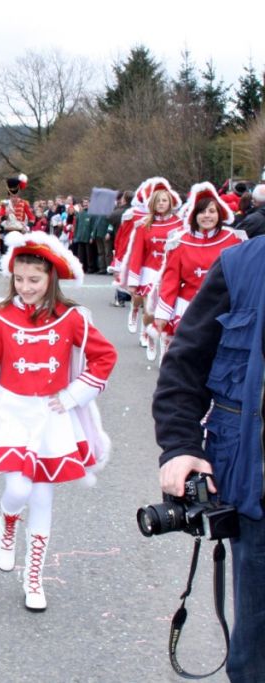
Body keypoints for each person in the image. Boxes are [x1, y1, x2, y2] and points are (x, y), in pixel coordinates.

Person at [0, 230, 116, 611]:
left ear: (51, 280)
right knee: (18, 488)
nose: (25, 287)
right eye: (19, 279)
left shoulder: (71, 318)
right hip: (11, 413)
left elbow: (105, 357)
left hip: (51, 418)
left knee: (43, 495)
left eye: (35, 280)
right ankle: (9, 518)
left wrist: (72, 394)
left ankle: (34, 576)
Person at [153, 233, 265, 683]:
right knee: (255, 656)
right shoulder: (241, 266)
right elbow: (185, 366)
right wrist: (181, 446)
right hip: (258, 497)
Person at [153, 183, 244, 357]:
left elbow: (243, 277)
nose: (207, 216)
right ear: (194, 215)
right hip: (188, 306)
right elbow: (170, 280)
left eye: (212, 211)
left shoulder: (233, 239)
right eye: (202, 212)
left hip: (221, 307)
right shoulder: (180, 242)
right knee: (187, 359)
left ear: (220, 214)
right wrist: (163, 314)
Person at [126, 179, 183, 356]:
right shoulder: (144, 225)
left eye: (164, 200)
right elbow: (137, 253)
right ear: (152, 204)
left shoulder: (180, 224)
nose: (161, 204)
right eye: (157, 201)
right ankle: (147, 332)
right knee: (149, 310)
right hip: (150, 271)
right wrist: (134, 279)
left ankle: (164, 343)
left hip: (171, 272)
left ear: (170, 203)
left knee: (167, 312)